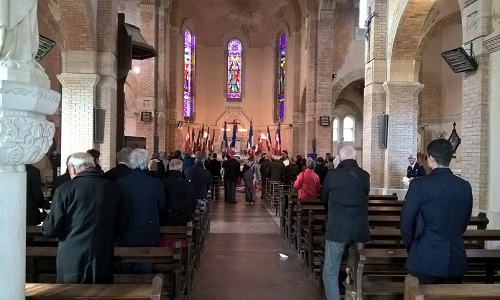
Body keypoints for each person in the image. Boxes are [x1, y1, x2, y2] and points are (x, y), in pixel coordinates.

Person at [42, 152, 127, 284]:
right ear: (92, 166)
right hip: (102, 253)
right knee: (101, 293)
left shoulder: (65, 189)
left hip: (72, 255)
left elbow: (51, 228)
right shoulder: (112, 188)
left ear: (73, 169)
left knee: (70, 293)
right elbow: (122, 222)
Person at [400, 139, 473, 284]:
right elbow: (464, 222)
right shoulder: (464, 186)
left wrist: (413, 247)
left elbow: (406, 223)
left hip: (426, 257)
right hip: (455, 258)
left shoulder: (419, 185)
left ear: (431, 158)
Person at [320, 146, 370, 300]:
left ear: (339, 159)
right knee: (355, 269)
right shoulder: (364, 175)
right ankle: (352, 296)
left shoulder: (332, 175)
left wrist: (335, 169)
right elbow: (365, 194)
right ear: (355, 158)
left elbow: (323, 198)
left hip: (337, 229)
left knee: (330, 270)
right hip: (359, 230)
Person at [116, 149, 165, 247]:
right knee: (147, 259)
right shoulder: (156, 183)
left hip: (127, 231)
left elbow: (117, 207)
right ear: (146, 163)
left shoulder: (120, 182)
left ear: (130, 162)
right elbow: (161, 207)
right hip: (148, 230)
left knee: (126, 259)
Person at [162, 159, 197, 226]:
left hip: (166, 219)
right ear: (181, 169)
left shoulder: (163, 183)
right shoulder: (187, 184)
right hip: (184, 219)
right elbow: (193, 202)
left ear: (169, 168)